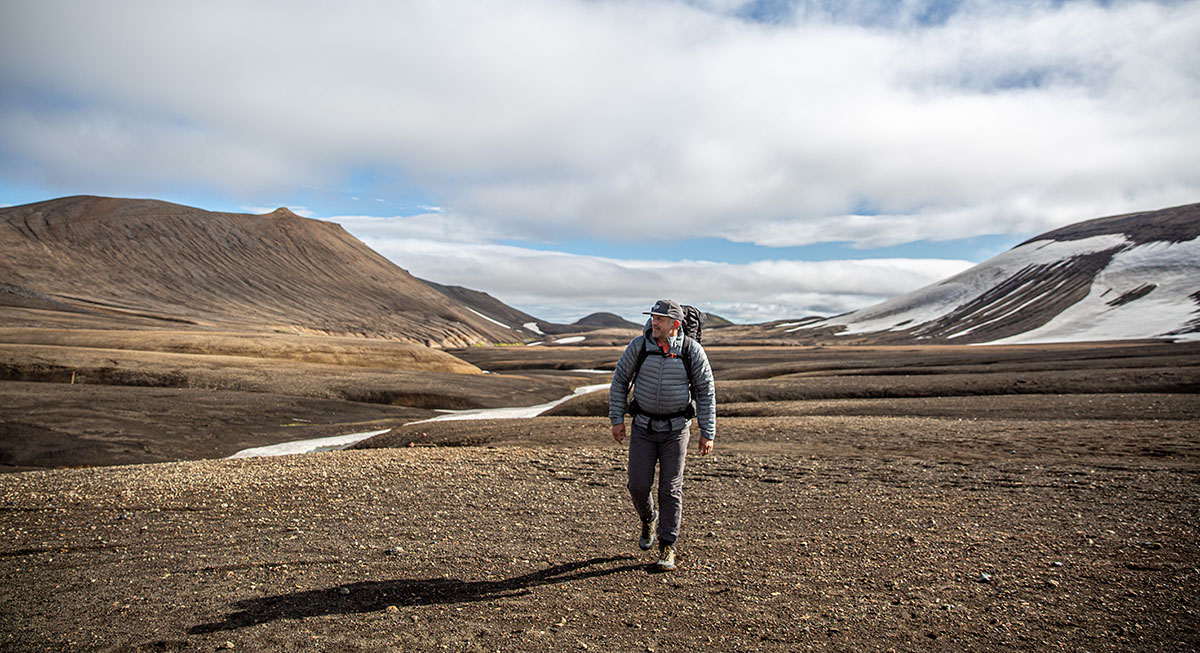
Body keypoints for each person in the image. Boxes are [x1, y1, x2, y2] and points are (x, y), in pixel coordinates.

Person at [609, 299, 716, 571]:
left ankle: (667, 546)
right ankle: (648, 519)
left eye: (660, 319)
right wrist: (617, 419)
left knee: (670, 489)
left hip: (676, 431)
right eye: (653, 317)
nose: (654, 322)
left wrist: (707, 432)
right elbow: (620, 381)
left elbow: (706, 392)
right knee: (637, 486)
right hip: (643, 428)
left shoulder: (692, 351)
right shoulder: (639, 346)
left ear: (674, 325)